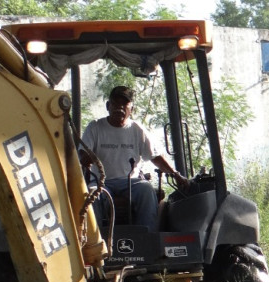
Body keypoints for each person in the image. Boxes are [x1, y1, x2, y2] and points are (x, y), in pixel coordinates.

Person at [79, 85, 188, 232]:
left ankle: (147, 235)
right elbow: (82, 155)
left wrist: (176, 174)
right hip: (102, 182)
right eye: (115, 104)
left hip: (131, 183)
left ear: (132, 109)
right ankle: (96, 241)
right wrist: (86, 158)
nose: (120, 108)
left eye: (124, 105)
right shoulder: (95, 127)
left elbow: (155, 156)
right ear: (108, 106)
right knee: (92, 194)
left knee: (147, 190)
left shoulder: (137, 129)